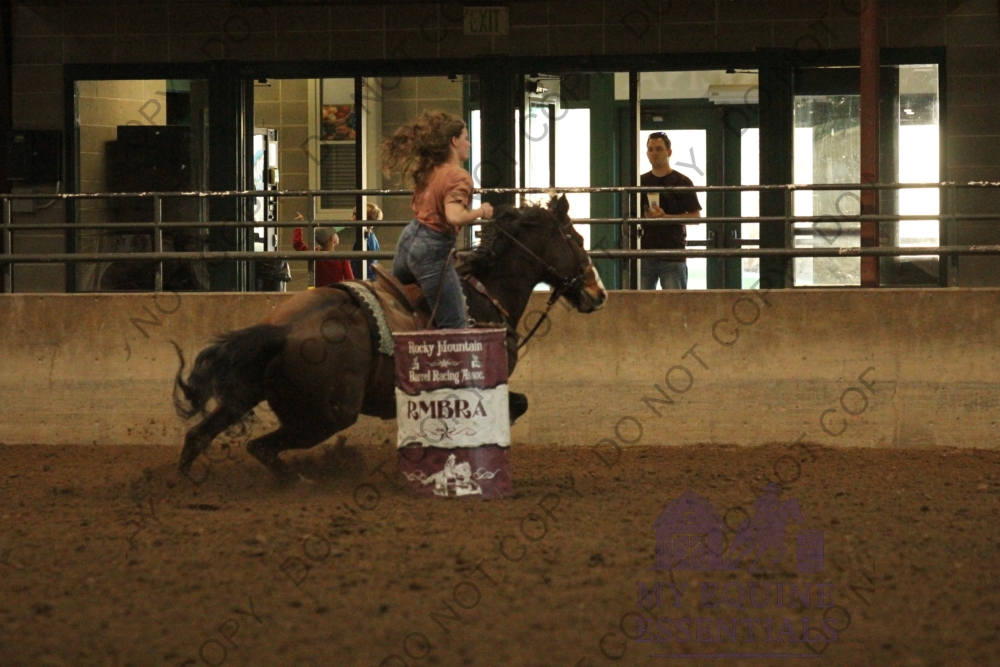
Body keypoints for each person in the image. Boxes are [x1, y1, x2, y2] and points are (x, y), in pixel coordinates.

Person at [380, 111, 492, 329]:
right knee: (455, 325)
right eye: (466, 138)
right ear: (454, 141)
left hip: (408, 240)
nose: (469, 144)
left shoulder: (430, 170)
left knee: (398, 308)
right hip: (431, 250)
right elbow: (454, 216)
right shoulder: (458, 175)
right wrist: (481, 211)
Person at [639, 132, 702, 290]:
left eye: (659, 149)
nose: (654, 153)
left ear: (669, 152)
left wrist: (666, 217)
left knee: (675, 303)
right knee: (640, 303)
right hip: (644, 253)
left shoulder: (683, 182)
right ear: (646, 153)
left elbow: (696, 217)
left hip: (673, 254)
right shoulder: (639, 182)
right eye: (651, 149)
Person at [292, 212, 354, 286]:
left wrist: (299, 225)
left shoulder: (314, 253)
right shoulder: (342, 258)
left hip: (319, 291)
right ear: (332, 238)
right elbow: (351, 282)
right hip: (336, 291)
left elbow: (297, 244)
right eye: (335, 233)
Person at [351, 203, 383, 280]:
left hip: (364, 279)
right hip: (370, 278)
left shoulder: (363, 240)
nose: (351, 217)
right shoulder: (372, 237)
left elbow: (356, 265)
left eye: (354, 214)